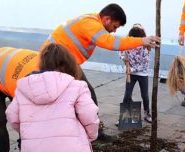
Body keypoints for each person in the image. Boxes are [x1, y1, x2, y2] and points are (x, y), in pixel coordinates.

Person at [41, 3, 160, 140]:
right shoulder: (90, 23)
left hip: (66, 62)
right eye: (115, 27)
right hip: (54, 62)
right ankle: (83, 134)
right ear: (107, 19)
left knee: (87, 97)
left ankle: (90, 132)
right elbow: (109, 42)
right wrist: (142, 40)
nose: (114, 31)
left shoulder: (92, 20)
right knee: (84, 98)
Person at [118, 23, 152, 123]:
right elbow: (119, 49)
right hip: (131, 74)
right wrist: (124, 58)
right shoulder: (127, 43)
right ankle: (124, 118)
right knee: (127, 95)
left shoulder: (145, 48)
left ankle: (147, 113)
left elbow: (144, 64)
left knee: (144, 95)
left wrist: (131, 69)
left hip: (142, 74)